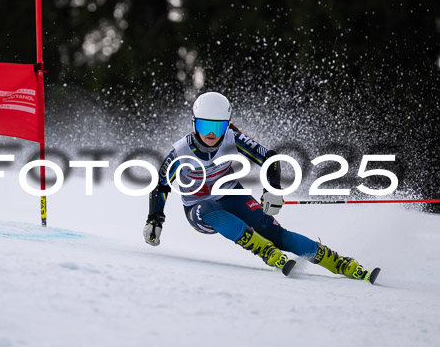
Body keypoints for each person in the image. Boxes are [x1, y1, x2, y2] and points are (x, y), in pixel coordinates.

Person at [143, 91, 379, 283]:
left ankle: (339, 262)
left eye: (218, 128)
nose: (212, 135)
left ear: (227, 125)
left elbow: (269, 159)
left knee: (276, 234)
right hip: (199, 210)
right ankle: (264, 252)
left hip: (230, 194)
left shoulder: (232, 139)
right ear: (194, 124)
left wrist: (272, 189)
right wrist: (155, 220)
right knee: (206, 207)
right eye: (205, 127)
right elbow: (161, 184)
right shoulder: (181, 152)